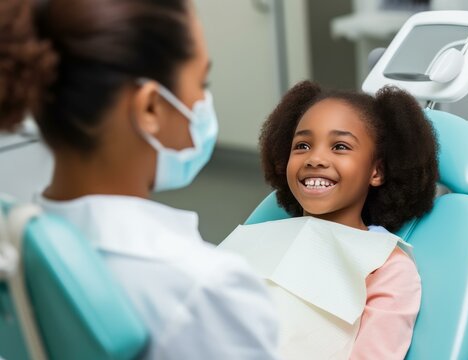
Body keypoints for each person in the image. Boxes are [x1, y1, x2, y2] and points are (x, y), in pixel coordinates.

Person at [0, 0, 280, 359]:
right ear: (150, 108)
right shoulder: (205, 288)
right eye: (200, 82)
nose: (203, 101)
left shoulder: (17, 242)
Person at [227, 80, 438, 359]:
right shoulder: (263, 236)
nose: (315, 158)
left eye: (339, 146)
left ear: (376, 171)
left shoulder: (386, 268)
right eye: (302, 145)